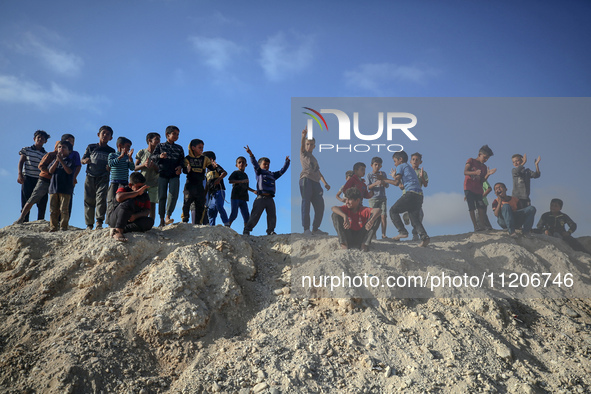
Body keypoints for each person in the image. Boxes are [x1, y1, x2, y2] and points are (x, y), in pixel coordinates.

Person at [381, 151, 430, 247]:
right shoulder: (410, 169)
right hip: (419, 196)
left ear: (400, 159)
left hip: (410, 194)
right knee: (415, 219)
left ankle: (402, 231)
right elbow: (401, 185)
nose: (394, 164)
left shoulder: (401, 166)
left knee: (393, 211)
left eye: (395, 161)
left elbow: (396, 183)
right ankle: (424, 237)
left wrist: (383, 179)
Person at [243, 145, 290, 235]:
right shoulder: (259, 172)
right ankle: (247, 230)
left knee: (272, 216)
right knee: (255, 215)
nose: (267, 166)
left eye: (268, 164)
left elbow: (282, 171)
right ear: (260, 165)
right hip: (261, 198)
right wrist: (250, 154)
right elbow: (254, 163)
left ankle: (270, 231)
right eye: (264, 164)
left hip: (270, 199)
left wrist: (287, 162)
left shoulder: (272, 175)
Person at [82, 125, 115, 230]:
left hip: (103, 177)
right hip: (90, 176)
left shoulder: (111, 151)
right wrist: (85, 161)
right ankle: (89, 224)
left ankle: (99, 222)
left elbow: (113, 165)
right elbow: (82, 160)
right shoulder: (91, 147)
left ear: (111, 138)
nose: (105, 135)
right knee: (88, 199)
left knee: (101, 199)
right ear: (98, 135)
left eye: (108, 134)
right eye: (103, 133)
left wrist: (110, 168)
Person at [151, 125, 184, 227]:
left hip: (174, 175)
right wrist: (159, 156)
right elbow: (152, 157)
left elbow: (182, 161)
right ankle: (161, 219)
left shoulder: (179, 148)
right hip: (163, 174)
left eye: (178, 134)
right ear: (167, 134)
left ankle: (168, 216)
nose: (176, 136)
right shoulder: (160, 146)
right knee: (162, 196)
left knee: (173, 195)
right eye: (174, 134)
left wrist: (180, 167)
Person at [299, 129, 331, 236]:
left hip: (316, 182)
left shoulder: (314, 159)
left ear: (314, 146)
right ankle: (306, 229)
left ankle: (315, 229)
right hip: (306, 179)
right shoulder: (304, 154)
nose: (309, 146)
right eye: (307, 144)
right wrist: (303, 136)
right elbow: (303, 147)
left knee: (320, 205)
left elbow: (318, 171)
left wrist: (325, 182)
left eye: (311, 144)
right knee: (306, 203)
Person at [108, 172, 154, 242]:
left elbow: (147, 211)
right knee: (129, 202)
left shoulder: (145, 196)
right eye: (139, 187)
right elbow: (119, 197)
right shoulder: (124, 188)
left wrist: (135, 216)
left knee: (149, 221)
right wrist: (137, 193)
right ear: (130, 185)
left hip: (131, 220)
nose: (141, 189)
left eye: (142, 187)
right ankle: (118, 231)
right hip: (117, 218)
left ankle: (122, 229)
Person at [331, 187, 381, 251]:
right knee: (335, 215)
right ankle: (344, 243)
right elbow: (333, 208)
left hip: (360, 237)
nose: (347, 202)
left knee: (377, 217)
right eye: (346, 199)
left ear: (357, 200)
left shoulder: (362, 210)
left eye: (349, 200)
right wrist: (344, 216)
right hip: (348, 235)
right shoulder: (345, 208)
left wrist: (372, 220)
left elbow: (378, 210)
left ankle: (364, 244)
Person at [17, 130, 50, 222]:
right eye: (38, 137)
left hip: (40, 179)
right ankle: (24, 220)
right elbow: (21, 162)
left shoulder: (45, 154)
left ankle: (40, 220)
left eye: (42, 138)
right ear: (34, 139)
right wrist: (20, 174)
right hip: (27, 177)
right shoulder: (26, 149)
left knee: (42, 200)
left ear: (45, 141)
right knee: (26, 199)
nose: (40, 139)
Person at [182, 139, 217, 224]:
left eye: (202, 147)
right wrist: (187, 169)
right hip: (190, 184)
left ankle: (198, 223)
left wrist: (214, 167)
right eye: (199, 147)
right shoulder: (187, 158)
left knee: (200, 204)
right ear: (193, 148)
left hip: (199, 185)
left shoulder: (204, 159)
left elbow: (210, 167)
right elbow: (184, 170)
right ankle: (185, 220)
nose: (202, 149)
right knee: (187, 202)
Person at [464, 144, 496, 232]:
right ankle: (475, 226)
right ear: (479, 155)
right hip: (469, 187)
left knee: (481, 207)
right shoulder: (471, 160)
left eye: (487, 159)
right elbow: (465, 172)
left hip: (478, 189)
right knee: (471, 207)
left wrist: (488, 174)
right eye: (484, 157)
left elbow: (482, 180)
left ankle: (482, 226)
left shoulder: (484, 167)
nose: (485, 160)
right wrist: (474, 172)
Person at [106, 137, 135, 223]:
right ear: (120, 145)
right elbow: (110, 164)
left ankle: (121, 221)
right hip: (114, 182)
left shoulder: (127, 157)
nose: (128, 149)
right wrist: (120, 157)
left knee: (123, 202)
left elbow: (132, 168)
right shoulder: (112, 155)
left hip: (124, 183)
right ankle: (110, 222)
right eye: (127, 146)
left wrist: (130, 159)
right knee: (111, 202)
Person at [48, 141, 74, 232]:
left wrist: (62, 161)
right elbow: (50, 171)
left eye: (64, 147)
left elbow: (69, 171)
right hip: (53, 188)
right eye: (59, 147)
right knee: (53, 210)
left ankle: (63, 227)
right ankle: (53, 227)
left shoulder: (70, 161)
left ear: (69, 151)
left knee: (64, 209)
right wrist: (57, 161)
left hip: (65, 189)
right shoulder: (54, 161)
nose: (61, 149)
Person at [402, 152, 429, 240]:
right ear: (410, 161)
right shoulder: (407, 171)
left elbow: (425, 185)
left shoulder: (422, 172)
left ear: (420, 162)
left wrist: (422, 178)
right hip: (407, 194)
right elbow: (401, 184)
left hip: (417, 195)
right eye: (413, 159)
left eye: (417, 160)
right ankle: (407, 215)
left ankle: (415, 233)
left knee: (420, 215)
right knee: (413, 212)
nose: (415, 161)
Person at [135, 132, 161, 219]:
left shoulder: (159, 155)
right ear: (149, 140)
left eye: (159, 139)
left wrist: (154, 166)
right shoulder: (142, 152)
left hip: (154, 183)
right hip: (142, 183)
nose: (159, 141)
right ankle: (140, 221)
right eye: (156, 139)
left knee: (152, 203)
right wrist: (144, 165)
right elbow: (135, 168)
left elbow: (159, 170)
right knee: (141, 203)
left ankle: (151, 222)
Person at [228, 156, 256, 228]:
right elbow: (230, 181)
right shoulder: (235, 173)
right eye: (239, 162)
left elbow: (246, 186)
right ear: (236, 165)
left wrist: (253, 191)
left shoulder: (245, 175)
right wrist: (241, 181)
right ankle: (227, 227)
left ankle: (246, 231)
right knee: (234, 214)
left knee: (246, 215)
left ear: (246, 165)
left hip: (243, 197)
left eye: (243, 162)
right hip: (235, 196)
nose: (241, 164)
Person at [204, 151, 229, 226]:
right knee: (211, 210)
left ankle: (226, 224)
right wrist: (204, 195)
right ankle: (212, 226)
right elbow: (207, 184)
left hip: (219, 190)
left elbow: (224, 173)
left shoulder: (216, 166)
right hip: (212, 193)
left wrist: (219, 179)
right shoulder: (207, 171)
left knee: (219, 206)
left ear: (210, 159)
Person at [366, 157, 389, 239]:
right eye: (375, 165)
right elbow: (368, 187)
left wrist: (382, 182)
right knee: (373, 216)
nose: (377, 166)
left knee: (383, 216)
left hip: (382, 197)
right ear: (372, 165)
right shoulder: (369, 175)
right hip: (373, 198)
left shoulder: (383, 174)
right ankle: (373, 233)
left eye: (379, 165)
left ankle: (383, 234)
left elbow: (387, 185)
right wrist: (375, 183)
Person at [60, 134, 82, 218]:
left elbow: (78, 166)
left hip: (69, 180)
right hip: (57, 180)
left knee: (67, 200)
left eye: (72, 141)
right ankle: (56, 221)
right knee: (56, 200)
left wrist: (74, 177)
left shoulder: (74, 154)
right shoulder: (57, 153)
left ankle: (65, 221)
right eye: (68, 141)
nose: (71, 143)